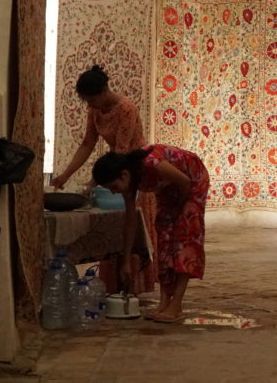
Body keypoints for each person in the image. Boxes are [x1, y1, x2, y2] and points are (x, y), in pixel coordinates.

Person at [52, 65, 158, 293]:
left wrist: (95, 182)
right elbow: (87, 144)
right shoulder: (96, 110)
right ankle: (114, 285)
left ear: (102, 92)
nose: (89, 106)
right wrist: (64, 175)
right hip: (114, 170)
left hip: (131, 172)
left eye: (91, 100)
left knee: (130, 224)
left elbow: (121, 151)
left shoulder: (126, 108)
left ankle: (132, 285)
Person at [92, 145, 209, 323]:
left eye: (114, 187)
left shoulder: (151, 163)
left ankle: (176, 305)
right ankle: (164, 302)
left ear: (123, 175)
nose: (114, 192)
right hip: (169, 187)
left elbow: (184, 182)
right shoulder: (128, 183)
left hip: (191, 181)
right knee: (164, 235)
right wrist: (125, 262)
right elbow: (130, 222)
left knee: (186, 236)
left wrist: (178, 208)